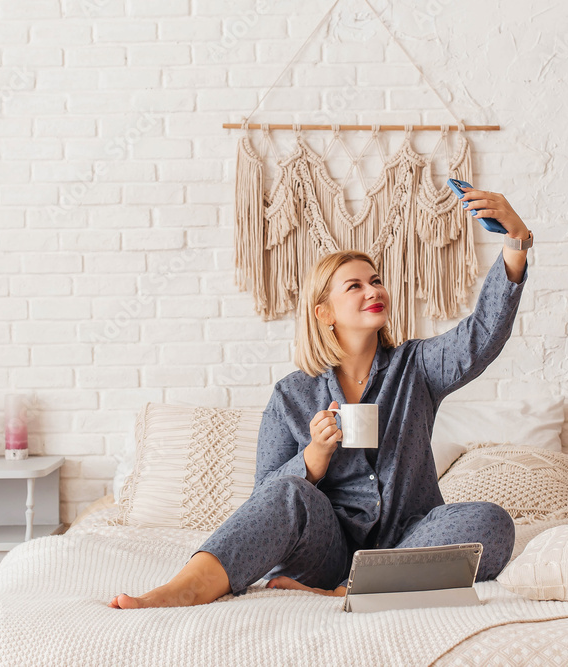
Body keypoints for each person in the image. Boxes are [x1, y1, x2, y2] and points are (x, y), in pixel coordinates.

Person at [109, 187, 532, 609]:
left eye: (377, 280)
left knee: (491, 521)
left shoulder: (416, 366)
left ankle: (358, 588)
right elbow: (267, 504)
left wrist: (516, 242)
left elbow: (480, 337)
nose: (373, 290)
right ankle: (187, 586)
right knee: (289, 492)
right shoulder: (292, 395)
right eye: (355, 286)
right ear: (324, 313)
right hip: (323, 552)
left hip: (408, 539)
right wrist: (313, 459)